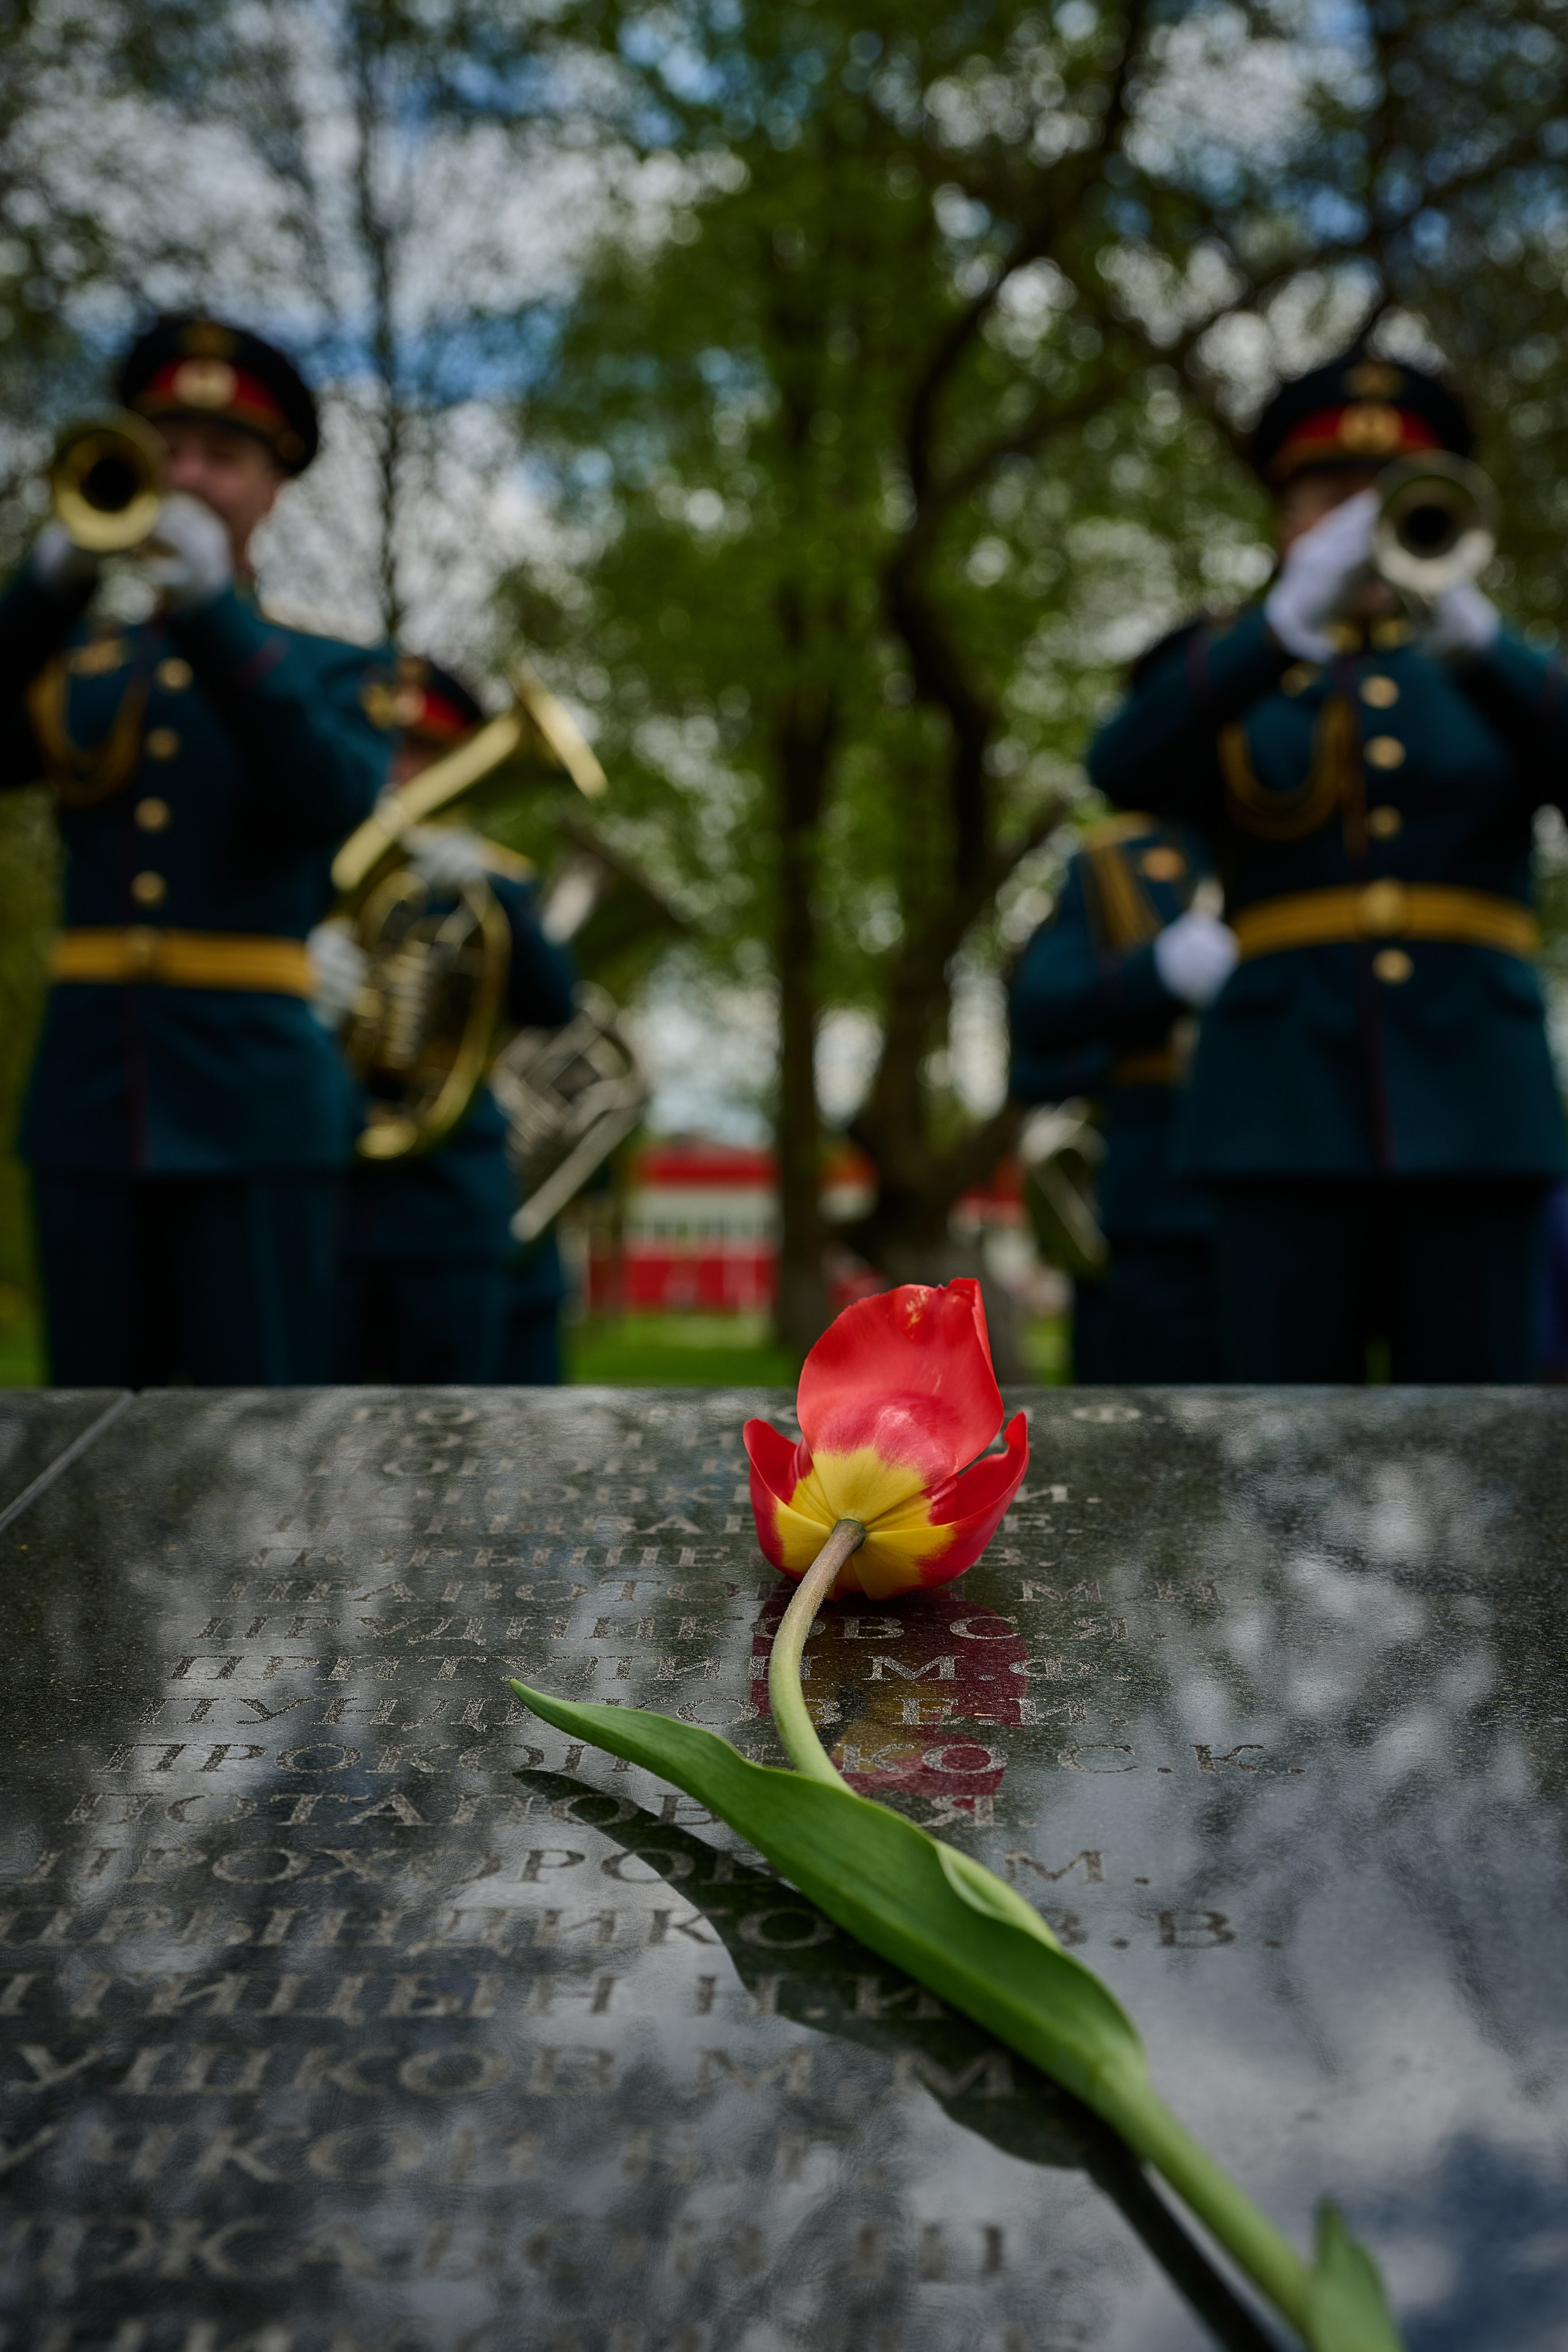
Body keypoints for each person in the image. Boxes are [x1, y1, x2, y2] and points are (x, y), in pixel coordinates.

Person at [1090, 352, 1568, 1382]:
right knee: (1277, 1451)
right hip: (1277, 1110)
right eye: (1327, 496)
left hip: (1476, 1104)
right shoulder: (1235, 667)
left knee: (1486, 1453)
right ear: (1283, 518)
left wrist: (1486, 643)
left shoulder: (1496, 676)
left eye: (1385, 497)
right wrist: (1280, 624)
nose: (1358, 519)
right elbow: (1121, 765)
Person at [0, 312, 393, 1385]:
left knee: (255, 1435)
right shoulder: (79, 653)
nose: (187, 478)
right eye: (167, 450)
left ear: (274, 488)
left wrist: (215, 614)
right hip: (91, 1096)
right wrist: (39, 593)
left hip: (255, 1108)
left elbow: (328, 797)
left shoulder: (329, 662)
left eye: (223, 459)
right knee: (82, 1437)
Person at [311, 657, 577, 1383]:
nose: (404, 770)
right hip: (331, 1191)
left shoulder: (493, 879)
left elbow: (554, 1003)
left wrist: (494, 897)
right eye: (392, 748)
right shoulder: (312, 873)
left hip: (448, 1199)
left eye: (425, 752)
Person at [1010, 812, 1229, 1382]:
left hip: (1310, 1193)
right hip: (1159, 1208)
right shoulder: (1115, 858)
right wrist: (1156, 974)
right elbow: (1042, 1016)